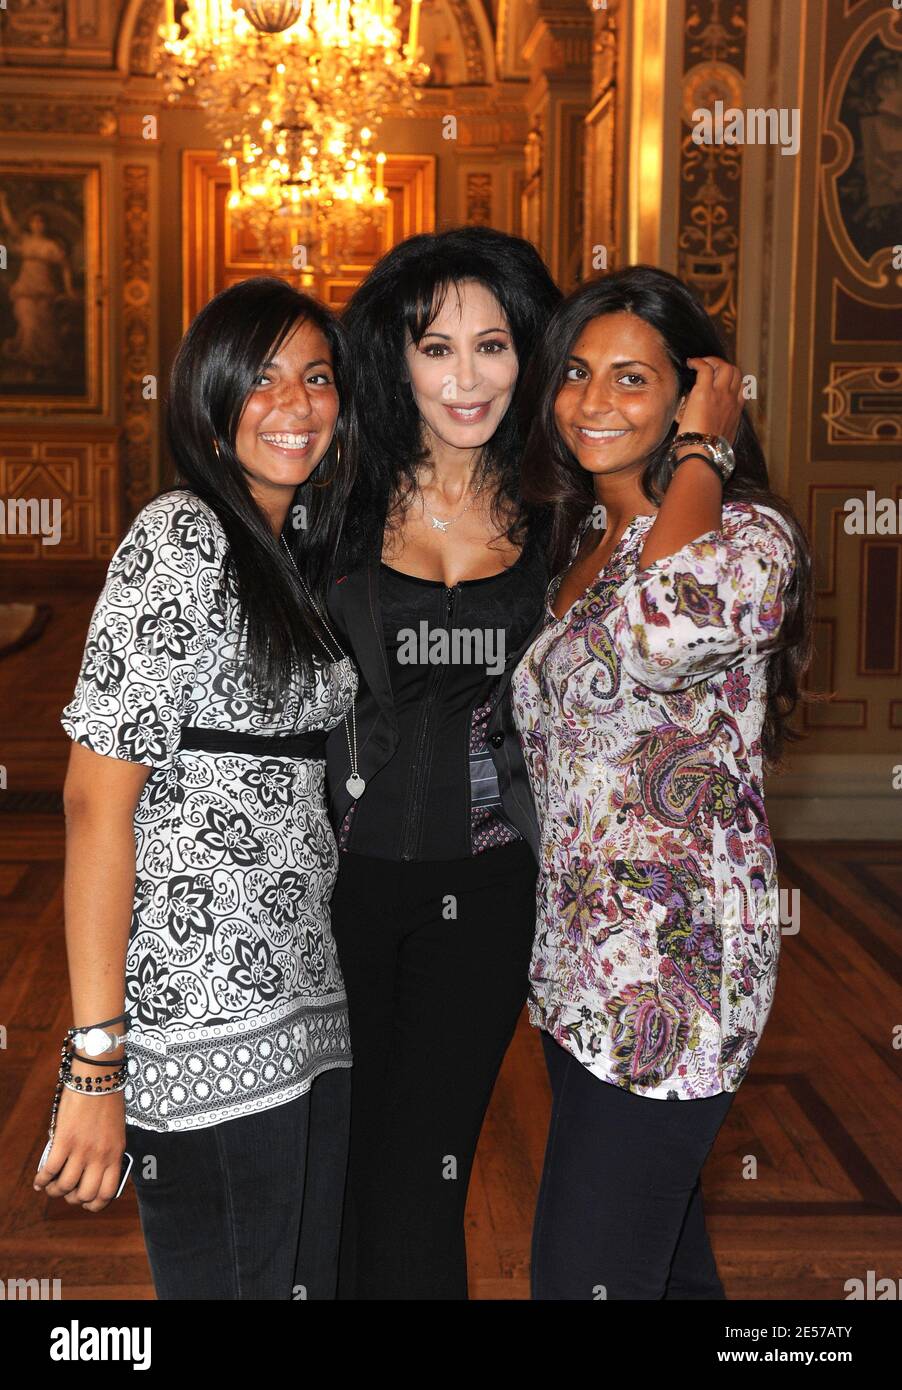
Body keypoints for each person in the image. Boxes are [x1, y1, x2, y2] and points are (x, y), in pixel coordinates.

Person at [34, 276, 360, 1301]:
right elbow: (95, 800)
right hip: (202, 1014)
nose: (296, 404)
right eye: (261, 378)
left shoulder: (284, 547)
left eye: (316, 376)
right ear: (208, 395)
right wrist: (96, 1063)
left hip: (300, 998)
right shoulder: (182, 537)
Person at [512, 264, 813, 1300]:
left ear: (690, 392)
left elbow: (664, 627)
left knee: (581, 1280)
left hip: (672, 983)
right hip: (575, 974)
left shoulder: (749, 535)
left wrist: (702, 452)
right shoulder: (579, 549)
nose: (593, 402)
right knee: (666, 1273)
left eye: (631, 379)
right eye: (577, 373)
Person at [323, 226, 561, 1299]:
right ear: (395, 357)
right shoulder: (330, 500)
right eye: (435, 348)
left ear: (530, 353)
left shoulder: (563, 514)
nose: (466, 379)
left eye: (493, 346)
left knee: (423, 1168)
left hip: (487, 883)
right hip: (330, 887)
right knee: (335, 1166)